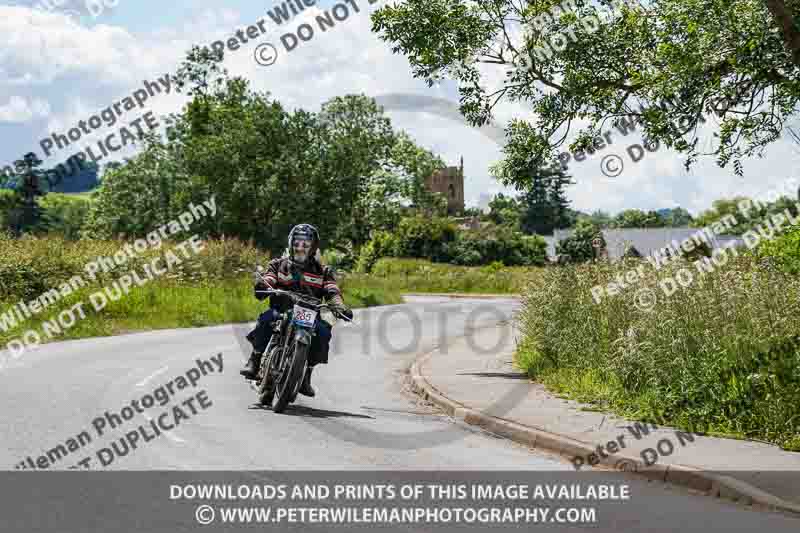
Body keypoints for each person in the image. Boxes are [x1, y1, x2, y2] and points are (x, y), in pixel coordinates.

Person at [240, 223, 353, 398]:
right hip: (282, 310)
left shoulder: (323, 271)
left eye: (306, 244)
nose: (301, 248)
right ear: (291, 243)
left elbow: (332, 291)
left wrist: (340, 306)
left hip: (310, 315)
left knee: (323, 332)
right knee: (266, 319)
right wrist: (263, 285)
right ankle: (255, 360)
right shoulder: (278, 264)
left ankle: (306, 374)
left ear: (313, 247)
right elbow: (269, 278)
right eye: (297, 243)